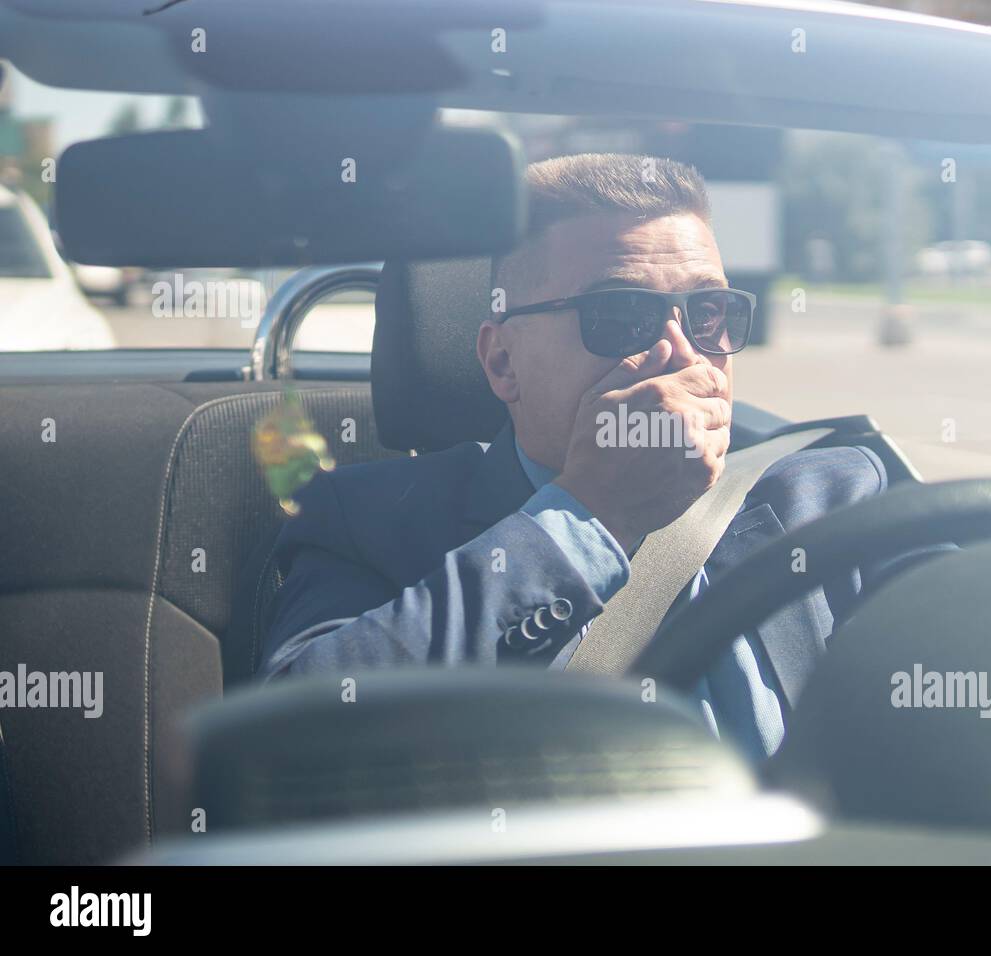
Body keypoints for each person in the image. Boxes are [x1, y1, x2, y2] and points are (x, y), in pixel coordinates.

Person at [260, 153, 897, 762]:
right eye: (620, 315)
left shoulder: (835, 498)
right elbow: (290, 742)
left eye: (709, 313)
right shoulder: (367, 520)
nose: (682, 353)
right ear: (502, 362)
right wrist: (591, 515)